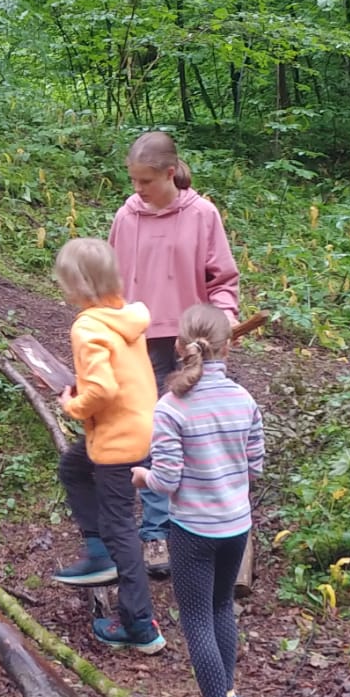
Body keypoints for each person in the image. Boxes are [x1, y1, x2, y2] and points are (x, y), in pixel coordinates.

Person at [133, 305, 264, 697]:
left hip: (192, 530)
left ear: (178, 346)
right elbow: (255, 465)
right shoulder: (244, 400)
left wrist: (143, 478)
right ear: (229, 347)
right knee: (222, 606)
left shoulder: (171, 408)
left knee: (196, 620)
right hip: (236, 527)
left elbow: (167, 479)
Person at [108, 130, 240, 580]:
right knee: (154, 433)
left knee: (199, 430)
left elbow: (222, 280)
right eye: (133, 179)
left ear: (170, 173)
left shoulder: (202, 214)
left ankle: (212, 523)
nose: (137, 189)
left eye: (145, 181)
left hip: (193, 341)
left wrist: (222, 318)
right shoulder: (126, 216)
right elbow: (113, 285)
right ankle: (156, 532)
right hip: (141, 341)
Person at [46, 237, 164, 654]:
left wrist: (73, 406)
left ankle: (139, 625)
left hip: (118, 441)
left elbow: (102, 388)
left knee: (121, 529)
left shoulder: (88, 326)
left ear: (76, 284)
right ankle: (98, 551)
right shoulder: (125, 316)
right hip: (141, 427)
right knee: (74, 467)